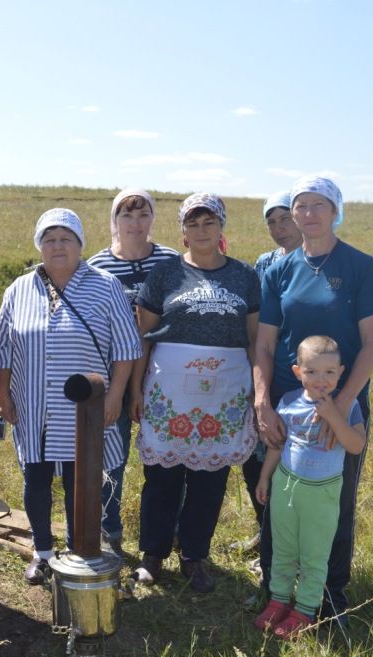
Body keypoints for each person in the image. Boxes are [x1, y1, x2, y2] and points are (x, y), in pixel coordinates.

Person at [254, 176, 373, 627]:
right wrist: (262, 402)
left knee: (335, 500)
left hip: (343, 405)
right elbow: (266, 344)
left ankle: (330, 593)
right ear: (292, 214)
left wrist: (338, 407)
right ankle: (276, 589)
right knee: (279, 495)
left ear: (335, 211)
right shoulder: (279, 270)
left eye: (319, 205)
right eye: (301, 206)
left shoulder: (361, 267)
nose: (309, 213)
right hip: (285, 404)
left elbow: (372, 344)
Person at [0, 208, 141, 585]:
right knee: (36, 480)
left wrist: (115, 398)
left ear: (80, 245)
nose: (57, 245)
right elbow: (4, 349)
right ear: (39, 245)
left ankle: (80, 551)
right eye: (49, 238)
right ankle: (42, 552)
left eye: (66, 238)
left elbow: (126, 348)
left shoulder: (106, 285)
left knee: (83, 481)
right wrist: (2, 394)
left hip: (86, 408)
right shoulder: (19, 288)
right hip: (34, 404)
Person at [130, 193, 260, 594]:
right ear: (182, 232)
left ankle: (194, 555)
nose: (201, 230)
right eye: (192, 224)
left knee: (211, 476)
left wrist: (258, 393)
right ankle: (152, 554)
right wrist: (136, 388)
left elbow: (255, 341)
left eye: (208, 223)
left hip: (225, 392)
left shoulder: (244, 276)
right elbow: (143, 336)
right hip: (170, 389)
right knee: (162, 474)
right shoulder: (167, 274)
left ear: (221, 227)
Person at [253, 336, 366, 639]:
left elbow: (355, 445)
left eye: (329, 372)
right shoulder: (288, 401)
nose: (321, 379)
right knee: (283, 549)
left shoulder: (348, 405)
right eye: (312, 371)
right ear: (297, 371)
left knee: (314, 554)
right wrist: (265, 477)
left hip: (322, 494)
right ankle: (278, 600)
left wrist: (333, 415)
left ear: (341, 372)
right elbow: (277, 446)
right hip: (286, 486)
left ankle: (304, 609)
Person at [87, 188, 178, 555]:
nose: (135, 223)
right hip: (114, 376)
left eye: (143, 215)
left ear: (152, 219)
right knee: (112, 456)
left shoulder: (172, 261)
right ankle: (110, 531)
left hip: (166, 374)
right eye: (127, 216)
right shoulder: (97, 265)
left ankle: (166, 534)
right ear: (115, 221)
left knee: (167, 458)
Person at [235, 190, 304, 553]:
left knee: (294, 457)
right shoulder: (264, 263)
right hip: (264, 370)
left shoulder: (321, 261)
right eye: (271, 221)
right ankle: (266, 531)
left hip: (305, 375)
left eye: (285, 218)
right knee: (256, 452)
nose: (279, 228)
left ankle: (288, 540)